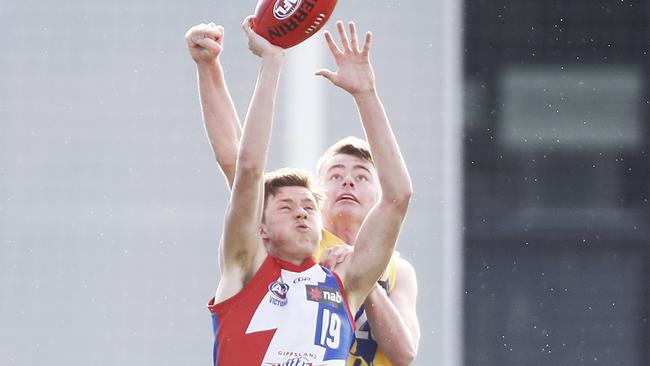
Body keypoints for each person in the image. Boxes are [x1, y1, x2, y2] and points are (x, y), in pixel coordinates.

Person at [186, 19, 420, 366]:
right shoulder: (247, 264)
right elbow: (244, 166)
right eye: (286, 207)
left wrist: (366, 92)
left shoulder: (348, 277)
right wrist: (266, 62)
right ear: (261, 228)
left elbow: (398, 196)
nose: (301, 212)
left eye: (309, 206)